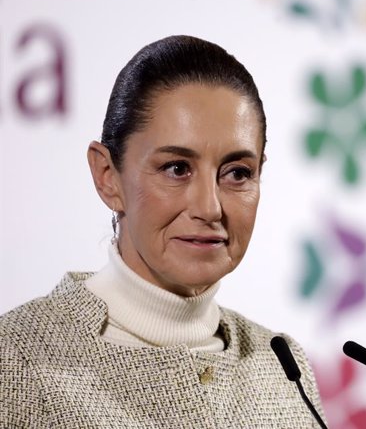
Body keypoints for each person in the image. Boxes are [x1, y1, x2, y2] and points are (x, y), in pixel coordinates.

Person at [0, 35, 326, 428]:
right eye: (176, 168)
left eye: (238, 173)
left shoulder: (283, 366)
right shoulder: (15, 358)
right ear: (108, 177)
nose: (210, 208)